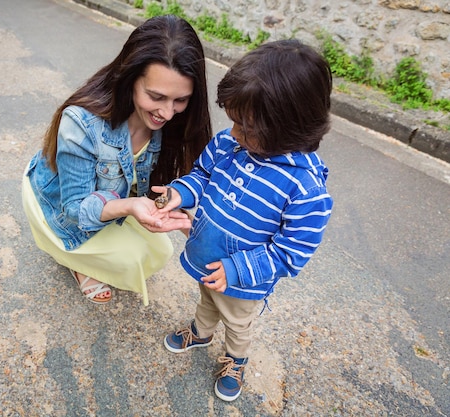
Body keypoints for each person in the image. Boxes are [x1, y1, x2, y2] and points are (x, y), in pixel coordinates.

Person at [154, 39, 334, 401]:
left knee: (237, 323)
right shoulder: (228, 145)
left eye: (247, 128)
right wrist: (179, 193)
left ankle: (235, 359)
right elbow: (202, 176)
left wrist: (237, 270)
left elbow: (290, 253)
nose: (235, 133)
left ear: (292, 129)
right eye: (235, 122)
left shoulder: (305, 190)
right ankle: (201, 333)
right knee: (205, 301)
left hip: (243, 280)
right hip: (205, 256)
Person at [21, 15, 212, 306]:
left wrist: (183, 217)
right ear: (130, 77)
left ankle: (96, 253)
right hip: (60, 206)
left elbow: (154, 188)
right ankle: (76, 259)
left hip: (110, 199)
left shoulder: (174, 123)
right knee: (133, 257)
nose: (168, 112)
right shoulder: (81, 122)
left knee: (159, 251)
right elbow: (74, 209)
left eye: (180, 100)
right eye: (156, 96)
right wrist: (130, 205)